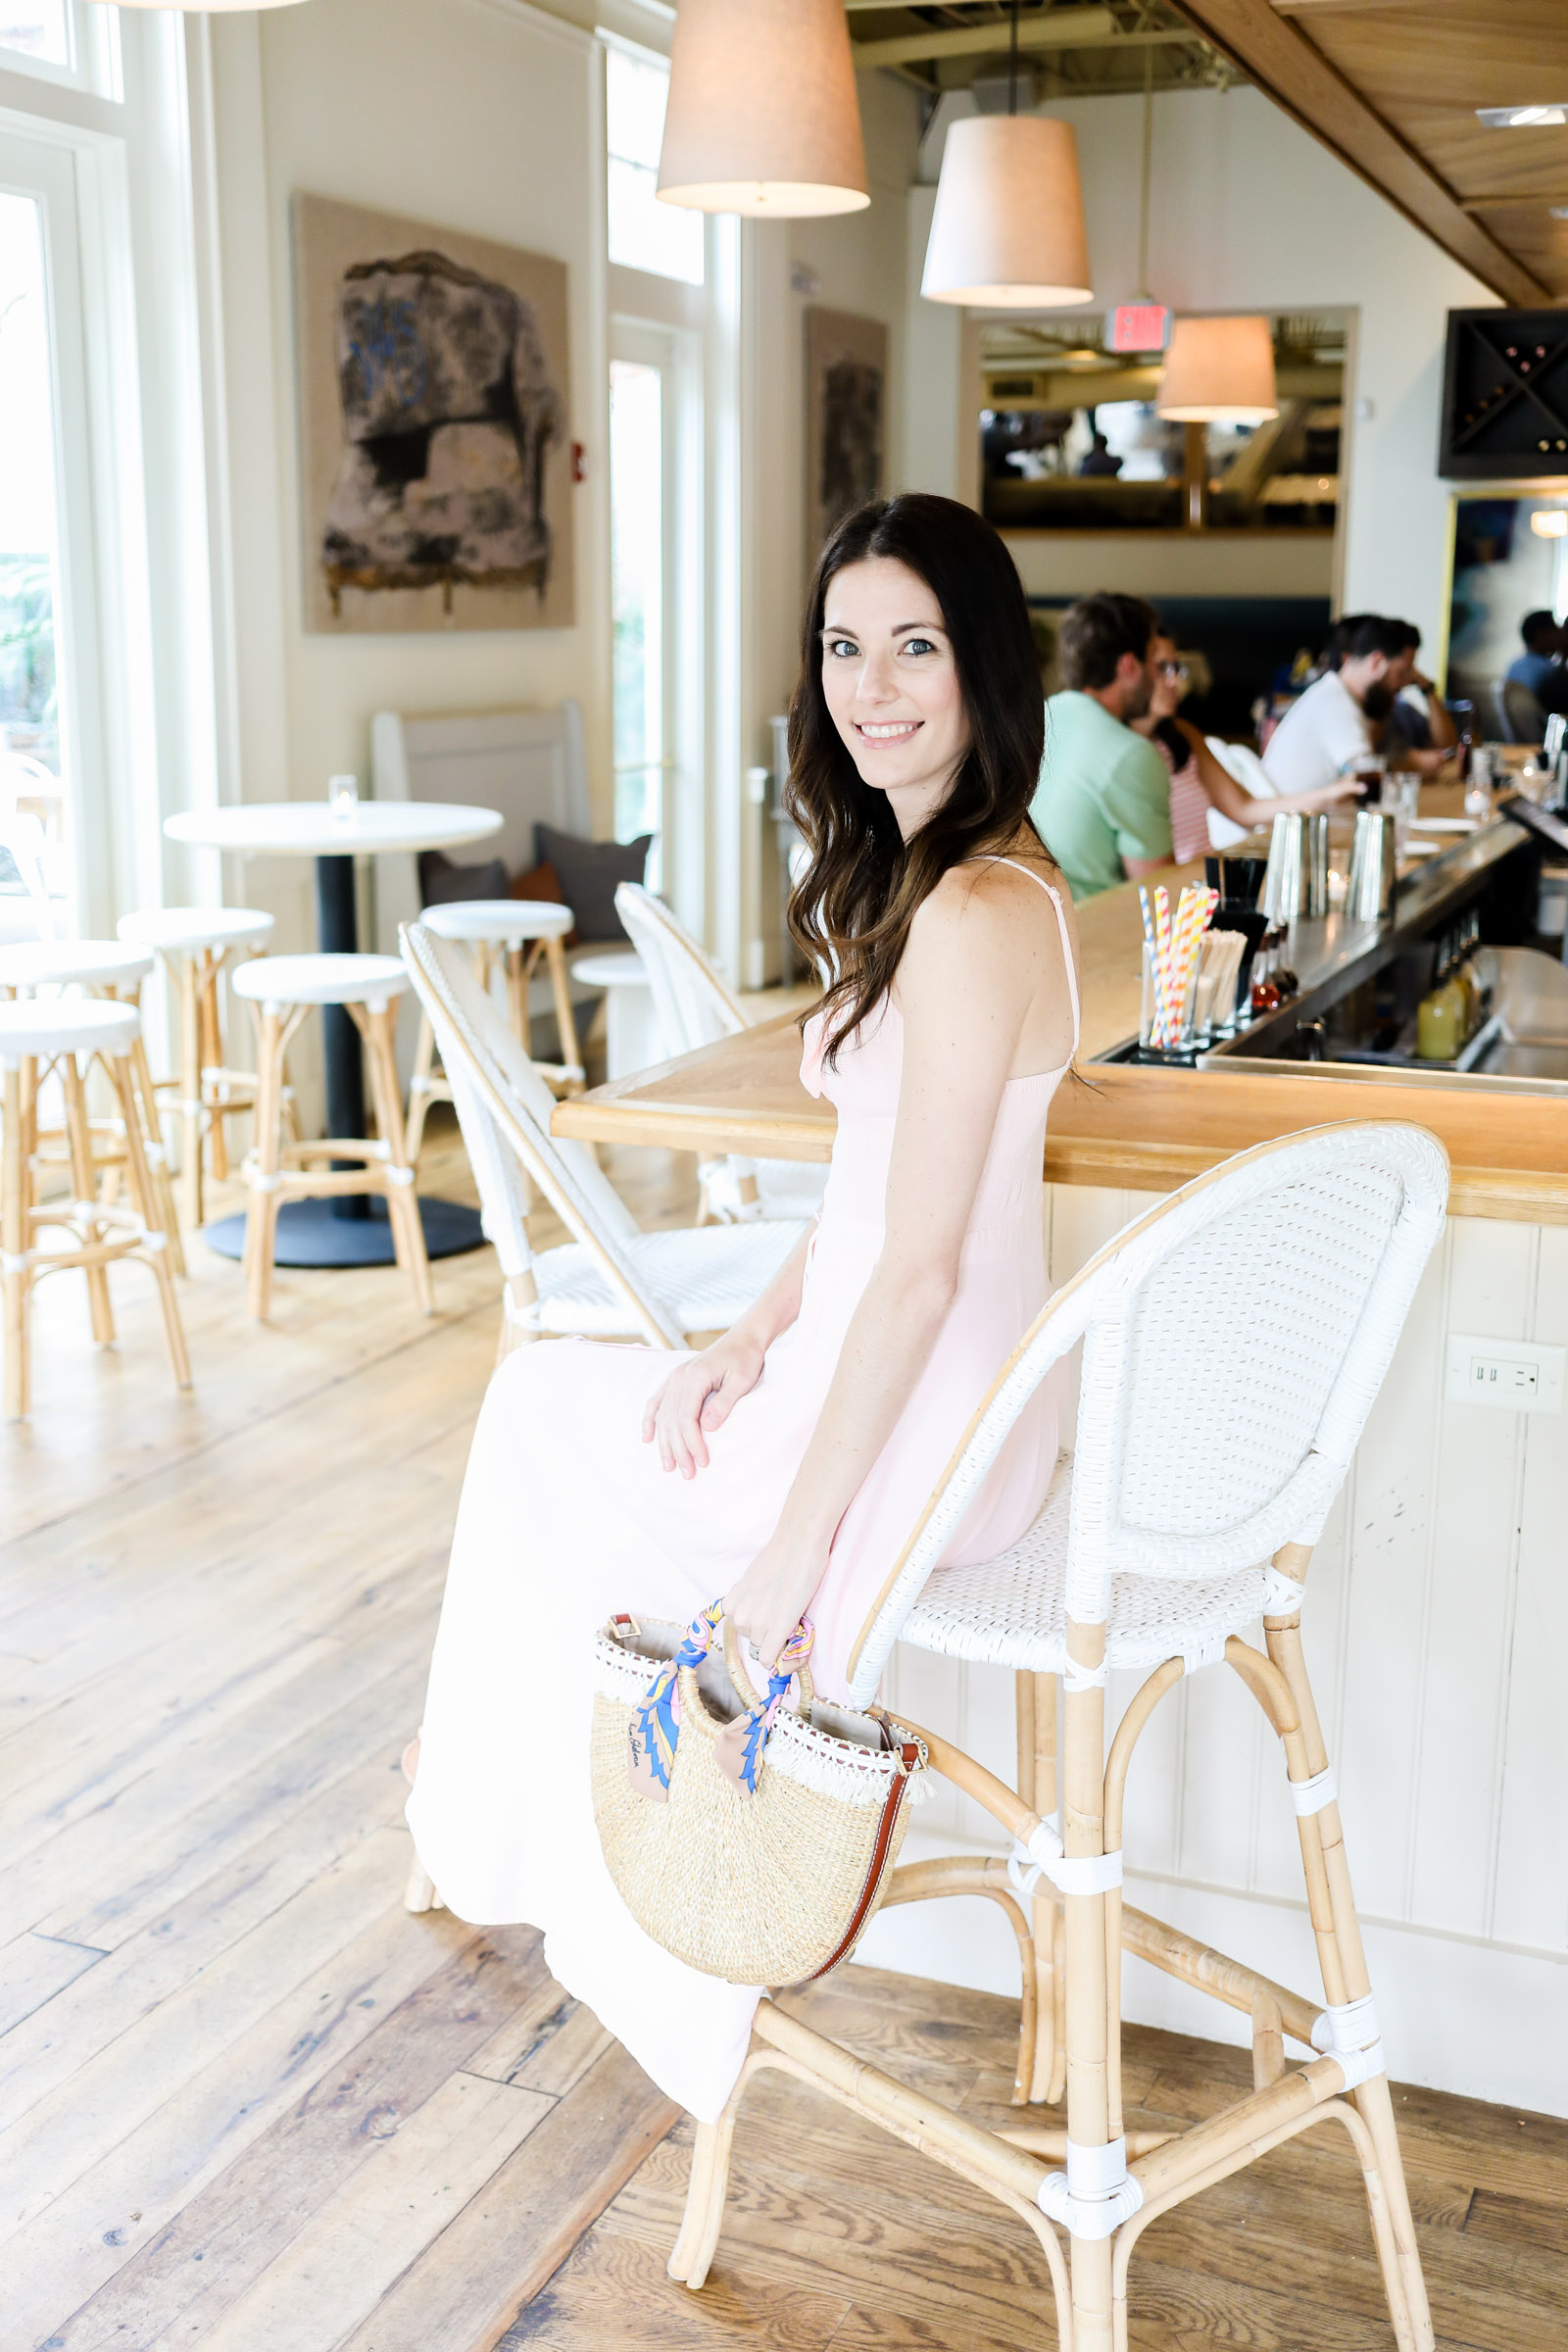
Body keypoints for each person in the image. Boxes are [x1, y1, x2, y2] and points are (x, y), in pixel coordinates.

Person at [404, 493, 1081, 2124]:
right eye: (845, 648)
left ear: (985, 667)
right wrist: (746, 1338)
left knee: (538, 1407)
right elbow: (870, 1202)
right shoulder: (959, 884)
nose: (872, 687)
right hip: (921, 1384)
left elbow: (919, 1268)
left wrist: (797, 1552)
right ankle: (502, 1807)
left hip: (929, 1416)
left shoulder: (974, 915)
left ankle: (497, 1818)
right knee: (595, 1402)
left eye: (914, 645)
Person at [1133, 633, 1356, 862]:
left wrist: (1330, 795)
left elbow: (1245, 808)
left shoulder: (1183, 735)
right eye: (1162, 668)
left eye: (1176, 668)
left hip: (1201, 890)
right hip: (1166, 892)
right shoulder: (1126, 755)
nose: (1174, 681)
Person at [1031, 590, 1173, 899]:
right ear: (1128, 666)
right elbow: (1157, 894)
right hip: (1089, 935)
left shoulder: (1032, 720)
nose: (1156, 675)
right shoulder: (1132, 754)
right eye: (1152, 659)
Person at [1260, 613, 1415, 795]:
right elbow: (1365, 781)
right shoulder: (1337, 704)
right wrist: (1410, 765)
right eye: (1402, 672)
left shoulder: (1333, 693)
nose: (1405, 683)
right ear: (1377, 662)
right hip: (1285, 820)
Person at [1377, 620, 1458, 774]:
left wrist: (1428, 689)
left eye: (1412, 668)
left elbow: (1447, 746)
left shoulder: (1403, 709)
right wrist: (1412, 764)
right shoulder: (1363, 714)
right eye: (1404, 669)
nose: (1408, 678)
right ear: (1377, 662)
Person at [1505, 611, 1568, 719]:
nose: (1559, 634)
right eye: (1555, 630)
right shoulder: (1548, 671)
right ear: (1541, 635)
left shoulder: (1514, 665)